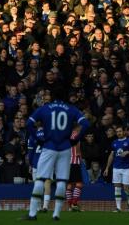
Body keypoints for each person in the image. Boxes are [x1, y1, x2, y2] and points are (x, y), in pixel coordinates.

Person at [23, 91, 90, 221]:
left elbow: (28, 124)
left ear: (52, 99)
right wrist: (76, 139)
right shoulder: (72, 109)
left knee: (40, 179)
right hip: (65, 147)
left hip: (49, 147)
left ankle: (32, 214)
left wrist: (37, 138)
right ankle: (56, 214)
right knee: (61, 181)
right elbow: (86, 124)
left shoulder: (45, 108)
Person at [103, 126, 129, 212]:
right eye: (117, 132)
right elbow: (111, 155)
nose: (118, 133)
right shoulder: (114, 142)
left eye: (120, 131)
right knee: (117, 187)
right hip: (116, 168)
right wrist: (107, 168)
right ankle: (118, 208)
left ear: (124, 132)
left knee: (126, 188)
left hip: (126, 168)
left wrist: (128, 152)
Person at [27, 128, 51, 212]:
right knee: (47, 184)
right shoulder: (50, 134)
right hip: (47, 163)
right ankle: (45, 206)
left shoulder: (32, 136)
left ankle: (38, 206)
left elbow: (30, 153)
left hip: (36, 163)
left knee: (37, 185)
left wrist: (30, 164)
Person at [66, 127, 84, 212]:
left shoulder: (67, 134)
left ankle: (70, 206)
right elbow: (77, 152)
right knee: (79, 184)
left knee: (69, 184)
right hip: (74, 162)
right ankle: (74, 204)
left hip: (66, 163)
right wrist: (81, 159)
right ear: (78, 127)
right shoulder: (76, 135)